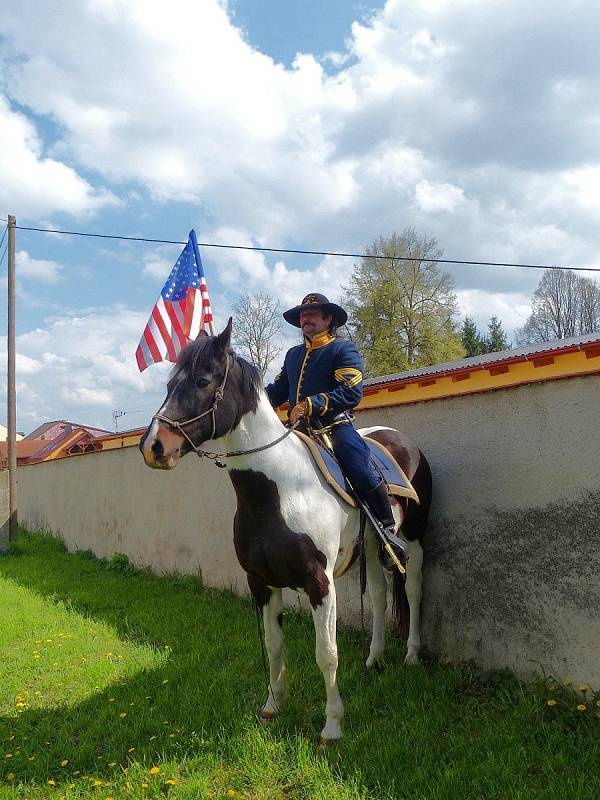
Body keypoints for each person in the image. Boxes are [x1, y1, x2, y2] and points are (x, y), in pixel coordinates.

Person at [265, 293, 405, 560]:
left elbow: (352, 392)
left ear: (328, 319)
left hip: (333, 428)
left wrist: (310, 404)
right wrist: (251, 399)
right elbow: (278, 391)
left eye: (312, 313)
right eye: (302, 315)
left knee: (358, 466)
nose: (305, 318)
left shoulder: (342, 350)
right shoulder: (293, 355)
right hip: (297, 431)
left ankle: (388, 532)